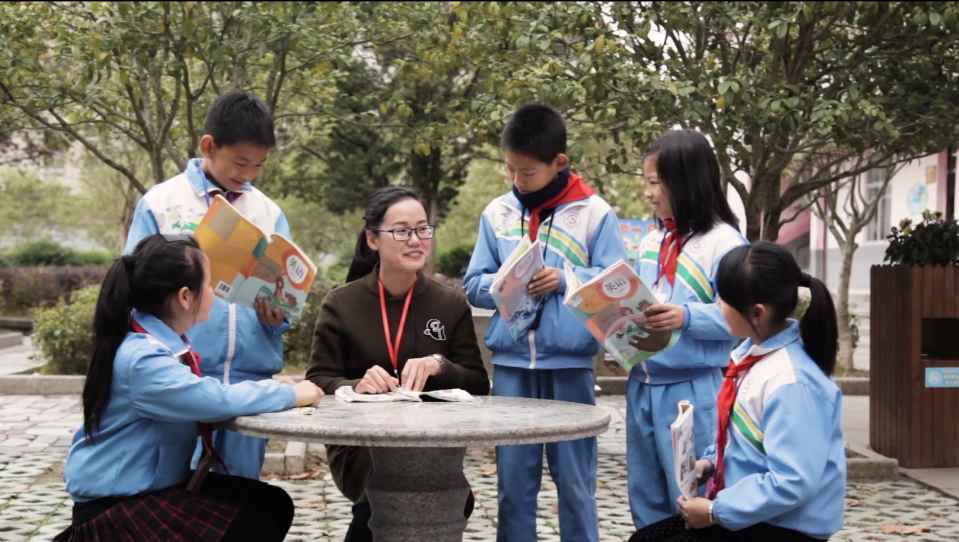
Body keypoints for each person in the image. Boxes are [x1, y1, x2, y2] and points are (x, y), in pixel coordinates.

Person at [55, 233, 324, 542]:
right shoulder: (143, 357)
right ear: (185, 296)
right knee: (253, 523)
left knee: (271, 504)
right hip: (115, 508)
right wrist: (288, 394)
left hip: (150, 489)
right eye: (210, 284)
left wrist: (273, 387)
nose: (215, 294)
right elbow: (210, 399)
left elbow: (200, 393)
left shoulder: (160, 344)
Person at [463, 103, 628, 542]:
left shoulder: (596, 214)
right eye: (511, 170)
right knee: (513, 487)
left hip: (570, 366)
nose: (518, 182)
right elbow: (473, 283)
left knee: (575, 485)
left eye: (528, 172)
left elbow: (618, 284)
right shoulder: (496, 213)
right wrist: (504, 285)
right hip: (513, 367)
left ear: (559, 163)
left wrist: (565, 279)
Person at [306, 186, 490, 542]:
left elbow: (479, 384)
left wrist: (441, 365)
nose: (416, 239)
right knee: (390, 492)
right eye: (402, 231)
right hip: (361, 442)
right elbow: (318, 380)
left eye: (423, 229)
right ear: (373, 239)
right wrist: (354, 385)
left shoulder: (449, 304)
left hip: (431, 442)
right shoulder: (341, 303)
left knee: (443, 496)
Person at [123, 91, 293, 479]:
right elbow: (136, 288)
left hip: (251, 381)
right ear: (208, 146)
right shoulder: (162, 203)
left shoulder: (268, 212)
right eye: (240, 162)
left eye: (259, 165)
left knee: (238, 494)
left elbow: (283, 294)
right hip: (183, 376)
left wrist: (277, 315)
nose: (248, 173)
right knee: (178, 488)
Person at [629, 241, 846, 541]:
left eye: (724, 300)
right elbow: (742, 442)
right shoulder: (753, 358)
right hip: (749, 512)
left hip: (782, 526)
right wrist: (710, 461)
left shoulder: (791, 382)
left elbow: (793, 482)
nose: (717, 306)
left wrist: (714, 513)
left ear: (757, 313)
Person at [628, 129, 748, 527]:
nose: (648, 193)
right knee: (644, 497)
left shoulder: (724, 243)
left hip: (692, 391)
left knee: (690, 497)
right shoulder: (651, 241)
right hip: (642, 385)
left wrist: (686, 316)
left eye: (654, 182)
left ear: (685, 180)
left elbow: (741, 319)